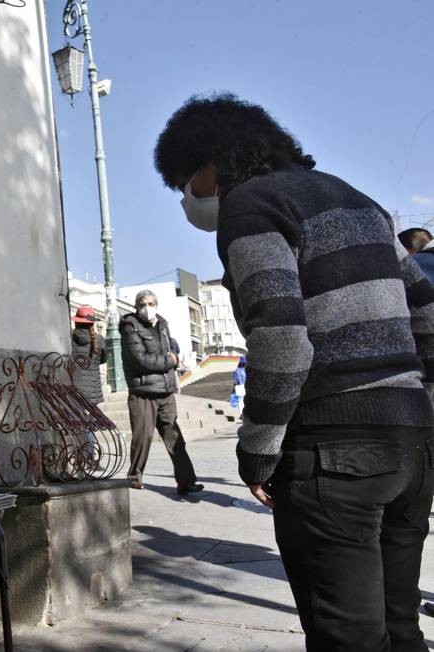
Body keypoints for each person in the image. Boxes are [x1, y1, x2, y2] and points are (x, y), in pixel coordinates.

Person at [154, 93, 434, 651]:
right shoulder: (362, 202)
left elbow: (281, 336)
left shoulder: (252, 205)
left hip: (334, 451)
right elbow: (427, 312)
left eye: (186, 180)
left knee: (346, 637)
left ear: (213, 162)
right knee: (399, 627)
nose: (187, 196)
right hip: (411, 447)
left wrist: (257, 451)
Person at [119, 289, 202, 494]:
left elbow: (170, 349)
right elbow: (139, 360)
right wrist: (169, 361)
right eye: (142, 304)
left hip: (165, 390)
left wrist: (174, 357)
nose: (147, 308)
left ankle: (186, 481)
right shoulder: (130, 327)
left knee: (175, 437)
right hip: (143, 392)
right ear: (136, 307)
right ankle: (134, 477)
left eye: (150, 303)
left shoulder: (163, 325)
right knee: (142, 437)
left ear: (156, 305)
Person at [69, 306, 106, 469]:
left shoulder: (70, 338)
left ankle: (81, 456)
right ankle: (91, 456)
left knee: (78, 423)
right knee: (90, 424)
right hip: (93, 389)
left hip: (76, 386)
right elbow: (103, 359)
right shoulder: (99, 340)